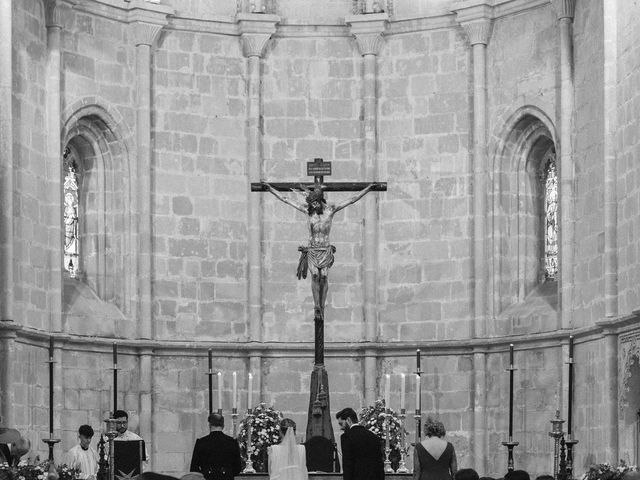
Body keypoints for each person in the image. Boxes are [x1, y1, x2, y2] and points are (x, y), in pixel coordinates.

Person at [263, 183, 375, 320]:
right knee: (316, 275)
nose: (314, 206)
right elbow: (285, 199)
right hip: (313, 250)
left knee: (324, 276)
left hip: (325, 250)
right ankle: (317, 306)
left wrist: (368, 188)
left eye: (316, 202)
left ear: (321, 201)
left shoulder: (330, 210)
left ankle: (322, 305)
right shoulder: (307, 211)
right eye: (312, 203)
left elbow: (353, 199)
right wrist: (270, 189)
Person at [335, 407, 384, 480]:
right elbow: (380, 465)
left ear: (348, 420)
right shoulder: (374, 437)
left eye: (341, 424)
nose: (341, 428)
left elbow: (348, 466)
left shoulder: (347, 437)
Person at [189, 413, 241, 480]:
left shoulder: (201, 442)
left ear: (210, 425)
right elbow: (238, 468)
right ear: (223, 425)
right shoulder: (232, 442)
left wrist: (204, 475)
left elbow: (194, 468)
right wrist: (227, 474)